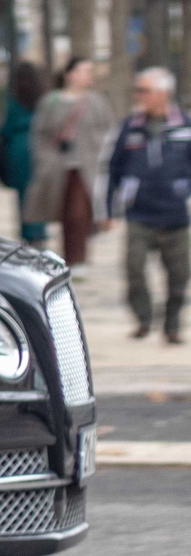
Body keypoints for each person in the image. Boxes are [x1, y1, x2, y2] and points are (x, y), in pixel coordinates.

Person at [106, 68, 191, 342]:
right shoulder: (129, 127)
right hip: (139, 214)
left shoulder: (185, 126)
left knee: (179, 276)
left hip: (175, 214)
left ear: (163, 94)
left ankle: (172, 325)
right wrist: (108, 209)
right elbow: (111, 169)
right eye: (137, 90)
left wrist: (184, 190)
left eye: (145, 90)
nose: (138, 96)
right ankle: (143, 320)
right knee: (134, 271)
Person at [27, 57, 117, 265]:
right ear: (69, 74)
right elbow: (39, 133)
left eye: (89, 71)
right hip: (57, 166)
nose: (88, 76)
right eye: (83, 71)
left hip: (87, 165)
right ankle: (70, 257)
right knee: (64, 213)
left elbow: (108, 131)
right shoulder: (51, 101)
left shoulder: (97, 101)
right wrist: (43, 158)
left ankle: (78, 258)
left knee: (80, 212)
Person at [0, 61, 46, 246]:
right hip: (37, 145)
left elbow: (7, 127)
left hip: (18, 147)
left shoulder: (13, 99)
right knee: (37, 190)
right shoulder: (41, 98)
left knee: (22, 193)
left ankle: (26, 230)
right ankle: (39, 230)